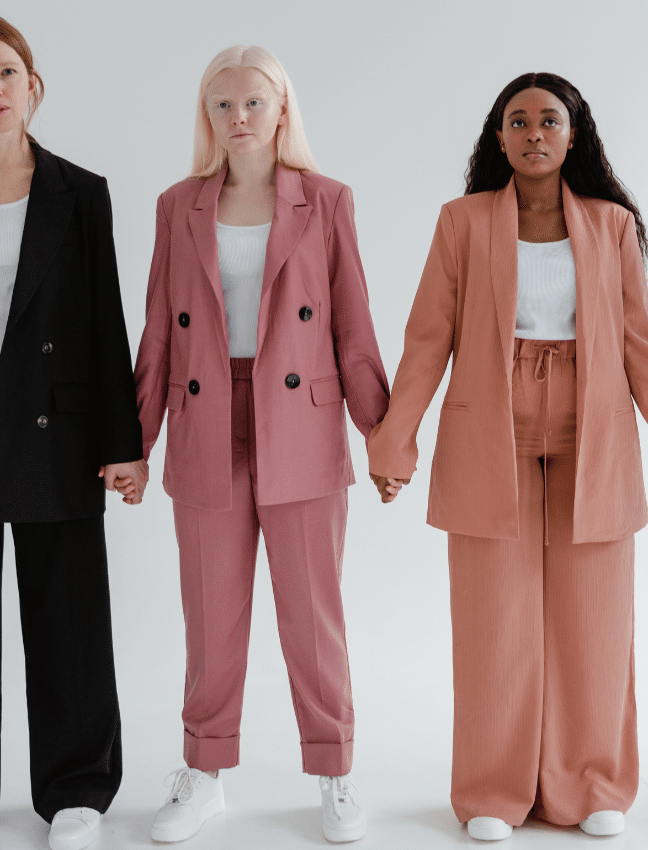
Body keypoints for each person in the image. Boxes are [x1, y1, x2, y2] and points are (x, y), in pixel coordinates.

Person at [367, 72, 648, 841]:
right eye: (518, 121)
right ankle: (494, 792)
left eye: (549, 120)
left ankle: (592, 784)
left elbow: (638, 347)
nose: (533, 132)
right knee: (495, 622)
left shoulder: (611, 225)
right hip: (487, 433)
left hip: (591, 433)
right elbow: (429, 338)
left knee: (594, 621)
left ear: (574, 134)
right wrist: (395, 440)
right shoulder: (461, 223)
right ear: (499, 137)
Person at [134, 44, 389, 844]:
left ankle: (336, 772)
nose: (237, 118)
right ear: (205, 116)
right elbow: (157, 334)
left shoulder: (328, 200)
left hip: (303, 426)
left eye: (253, 103)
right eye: (222, 105)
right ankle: (204, 773)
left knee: (314, 616)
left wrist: (383, 435)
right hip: (206, 420)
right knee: (210, 618)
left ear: (282, 110)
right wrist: (132, 442)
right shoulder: (179, 205)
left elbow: (353, 329)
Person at [0, 16, 147, 850]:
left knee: (68, 615)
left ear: (33, 85)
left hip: (54, 425)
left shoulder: (79, 192)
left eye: (5, 73)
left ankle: (78, 792)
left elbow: (104, 322)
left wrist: (122, 440)